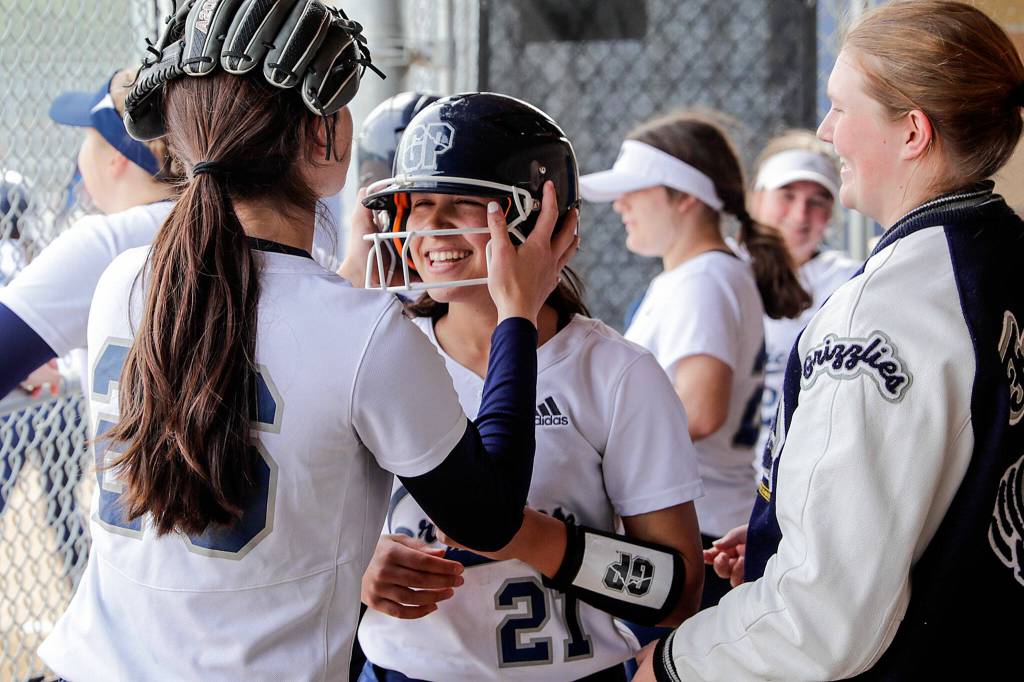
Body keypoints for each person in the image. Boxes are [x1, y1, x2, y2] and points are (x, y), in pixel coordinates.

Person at [37, 2, 576, 679]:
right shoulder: (365, 331)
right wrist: (517, 311)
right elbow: (490, 518)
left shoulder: (124, 281)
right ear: (324, 137)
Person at [635, 1, 1024, 679]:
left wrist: (672, 662)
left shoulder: (887, 309)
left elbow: (822, 619)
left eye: (842, 108)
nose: (825, 130)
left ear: (912, 132)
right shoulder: (1004, 254)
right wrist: (783, 528)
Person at [351, 93, 704, 682]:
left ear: (541, 218)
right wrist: (358, 568)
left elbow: (677, 592)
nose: (432, 227)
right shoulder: (376, 349)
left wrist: (523, 535)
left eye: (463, 203)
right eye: (420, 204)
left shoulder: (614, 372)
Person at [580, 113, 810, 609]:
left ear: (685, 197)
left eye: (635, 191)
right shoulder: (704, 273)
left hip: (694, 527)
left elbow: (702, 410)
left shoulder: (702, 280)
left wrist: (589, 447)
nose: (620, 204)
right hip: (700, 519)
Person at [0, 67, 176, 399]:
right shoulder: (231, 219)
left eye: (89, 137)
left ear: (117, 159)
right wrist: (30, 347)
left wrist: (20, 354)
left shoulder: (109, 243)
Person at [748, 130, 861, 468]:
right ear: (755, 198)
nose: (800, 215)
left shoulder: (848, 281)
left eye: (817, 201)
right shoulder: (721, 273)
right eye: (787, 195)